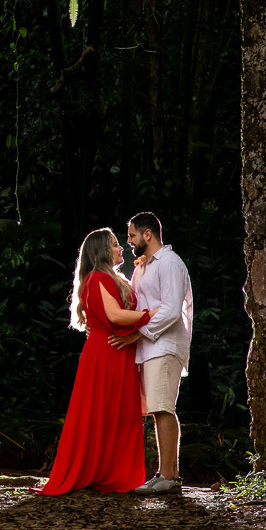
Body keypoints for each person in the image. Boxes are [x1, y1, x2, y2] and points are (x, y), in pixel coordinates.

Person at [37, 228, 155, 495]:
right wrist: (153, 315)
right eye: (115, 244)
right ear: (102, 250)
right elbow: (114, 315)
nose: (120, 248)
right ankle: (100, 471)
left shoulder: (113, 277)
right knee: (100, 413)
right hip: (107, 353)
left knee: (119, 415)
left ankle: (112, 471)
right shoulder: (97, 277)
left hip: (119, 352)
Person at [109, 211, 193, 496]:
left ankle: (167, 476)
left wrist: (138, 333)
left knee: (162, 407)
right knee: (157, 408)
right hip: (149, 347)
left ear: (148, 234)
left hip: (165, 344)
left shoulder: (170, 262)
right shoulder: (144, 265)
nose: (129, 241)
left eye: (132, 235)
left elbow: (170, 310)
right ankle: (168, 474)